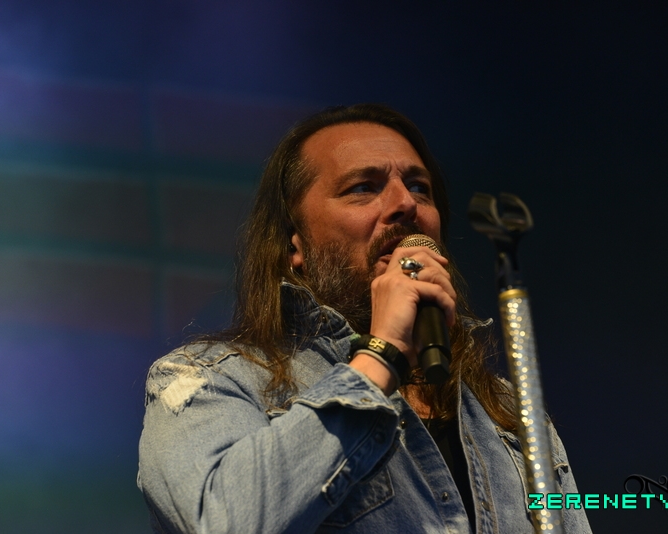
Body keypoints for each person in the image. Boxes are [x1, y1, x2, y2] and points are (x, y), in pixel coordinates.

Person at [137, 104, 591, 534]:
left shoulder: (508, 411)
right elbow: (220, 521)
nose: (405, 204)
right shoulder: (210, 380)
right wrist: (382, 356)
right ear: (294, 244)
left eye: (419, 187)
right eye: (363, 188)